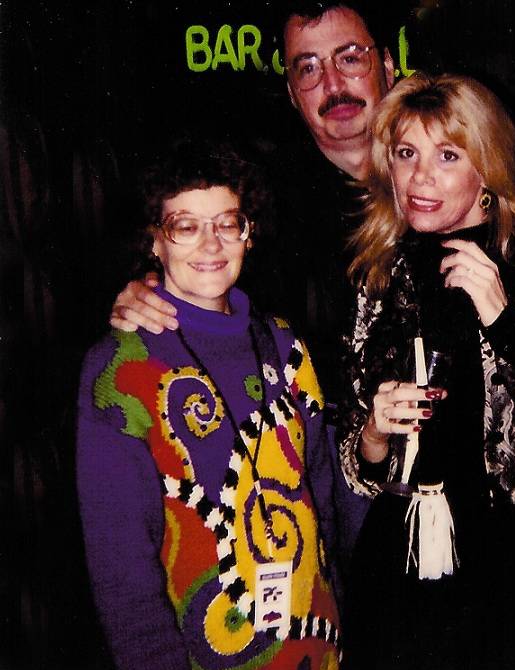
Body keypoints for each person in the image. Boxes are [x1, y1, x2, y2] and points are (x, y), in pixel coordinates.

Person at [337, 72, 515, 670]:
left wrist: (504, 320)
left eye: (447, 155)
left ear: (487, 168)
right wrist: (372, 435)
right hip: (401, 563)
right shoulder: (379, 268)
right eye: (406, 153)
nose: (420, 177)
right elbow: (356, 464)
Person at [105, 0, 395, 591]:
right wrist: (143, 289)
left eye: (350, 58)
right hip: (325, 480)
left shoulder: (450, 171)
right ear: (291, 92)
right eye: (307, 68)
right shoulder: (263, 201)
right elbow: (189, 252)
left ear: (387, 64)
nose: (333, 84)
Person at [76, 141, 343, 670]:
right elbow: (120, 567)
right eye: (185, 225)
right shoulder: (121, 370)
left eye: (227, 222)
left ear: (250, 231)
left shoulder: (287, 347)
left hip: (317, 649)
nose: (211, 244)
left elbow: (325, 504)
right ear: (155, 239)